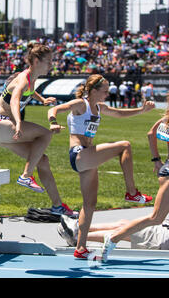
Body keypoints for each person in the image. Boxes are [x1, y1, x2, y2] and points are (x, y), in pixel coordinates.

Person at [47, 74, 155, 259]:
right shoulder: (81, 104)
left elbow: (119, 113)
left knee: (89, 205)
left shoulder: (99, 107)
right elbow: (55, 109)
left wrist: (141, 111)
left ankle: (80, 248)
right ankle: (132, 192)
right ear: (93, 91)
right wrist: (53, 123)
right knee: (125, 145)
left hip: (88, 158)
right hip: (79, 154)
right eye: (104, 91)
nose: (107, 94)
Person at [0, 43, 73, 216]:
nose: (51, 65)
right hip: (0, 124)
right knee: (46, 133)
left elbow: (29, 92)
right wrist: (18, 122)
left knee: (43, 161)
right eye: (48, 61)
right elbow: (15, 100)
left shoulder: (30, 79)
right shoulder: (23, 79)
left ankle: (57, 206)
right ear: (35, 60)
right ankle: (26, 175)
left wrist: (42, 99)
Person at [102, 90, 169, 262]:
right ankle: (113, 238)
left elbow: (150, 134)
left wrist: (156, 159)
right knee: (156, 217)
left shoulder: (167, 118)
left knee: (158, 217)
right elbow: (151, 134)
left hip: (167, 168)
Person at [58, 215, 169, 250]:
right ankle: (76, 228)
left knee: (124, 230)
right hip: (167, 229)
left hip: (164, 239)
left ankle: (78, 236)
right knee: (124, 223)